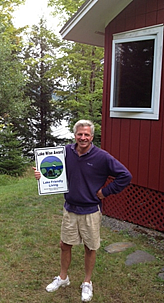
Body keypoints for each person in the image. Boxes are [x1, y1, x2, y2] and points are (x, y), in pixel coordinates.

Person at [33, 119, 132, 302]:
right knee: (65, 245)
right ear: (75, 135)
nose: (83, 137)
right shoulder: (65, 152)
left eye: (87, 134)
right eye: (80, 134)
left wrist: (105, 192)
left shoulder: (102, 157)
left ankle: (87, 282)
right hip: (70, 208)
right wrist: (42, 174)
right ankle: (63, 278)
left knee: (90, 247)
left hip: (90, 211)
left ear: (92, 137)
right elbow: (52, 168)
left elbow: (125, 175)